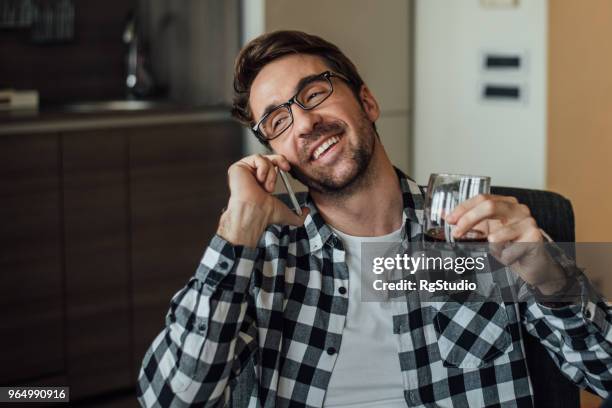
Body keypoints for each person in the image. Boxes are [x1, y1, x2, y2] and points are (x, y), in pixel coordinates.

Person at [136, 30, 612, 408]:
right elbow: (173, 398)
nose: (304, 123)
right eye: (278, 121)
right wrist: (236, 229)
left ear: (367, 102)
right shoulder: (266, 258)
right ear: (275, 153)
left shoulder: (477, 231)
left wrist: (552, 278)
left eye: (314, 93)